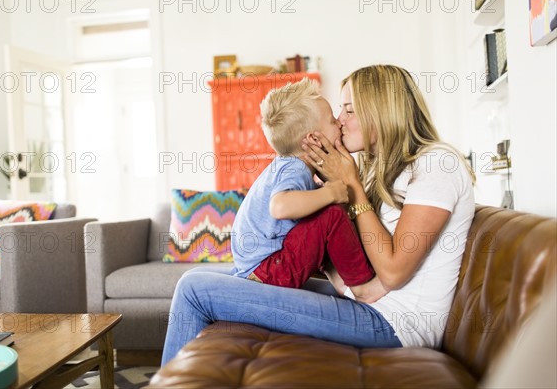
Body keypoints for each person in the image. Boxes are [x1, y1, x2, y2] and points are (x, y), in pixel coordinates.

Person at [161, 64, 475, 366]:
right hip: (368, 304)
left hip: (394, 324)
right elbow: (345, 251)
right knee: (196, 279)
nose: (340, 119)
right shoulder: (384, 170)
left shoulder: (436, 164)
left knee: (194, 291)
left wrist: (350, 185)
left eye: (349, 109)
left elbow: (392, 273)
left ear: (383, 111)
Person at [232, 78, 374, 292]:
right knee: (332, 214)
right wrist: (330, 193)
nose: (338, 121)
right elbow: (279, 206)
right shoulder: (295, 168)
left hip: (260, 269)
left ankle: (349, 278)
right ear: (313, 139)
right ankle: (364, 284)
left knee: (323, 214)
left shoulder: (285, 166)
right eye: (331, 120)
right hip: (268, 271)